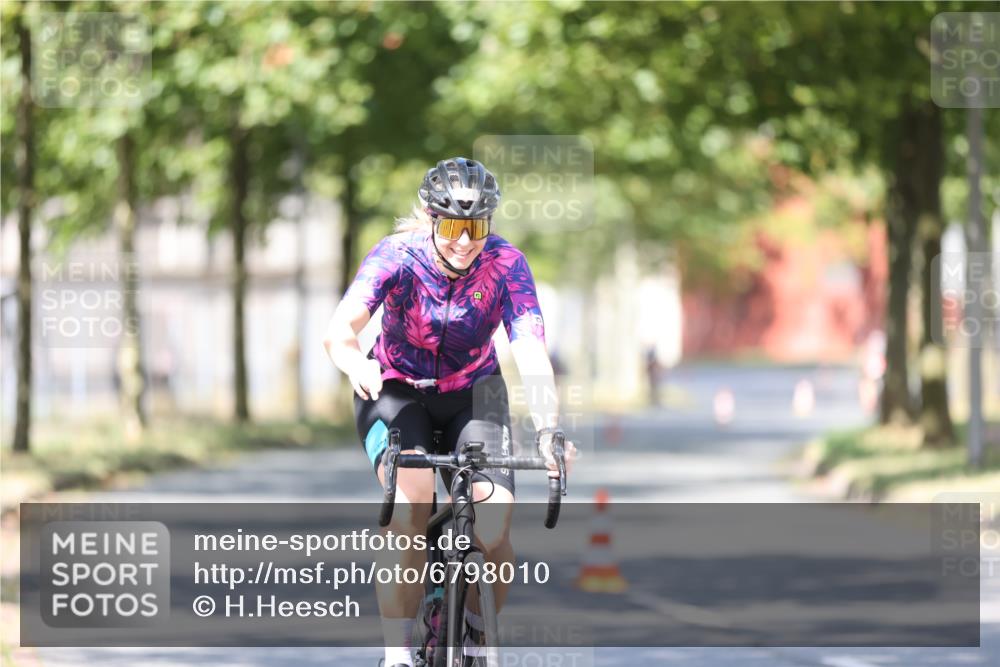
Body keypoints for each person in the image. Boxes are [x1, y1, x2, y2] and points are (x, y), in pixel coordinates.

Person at [323, 157, 574, 667]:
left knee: (496, 520)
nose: (465, 240)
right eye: (454, 227)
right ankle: (397, 655)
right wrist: (354, 362)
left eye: (476, 226)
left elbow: (529, 351)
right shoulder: (396, 256)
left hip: (475, 390)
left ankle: (480, 631)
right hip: (394, 387)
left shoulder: (506, 265)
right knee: (412, 505)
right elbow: (340, 329)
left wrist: (549, 428)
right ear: (432, 219)